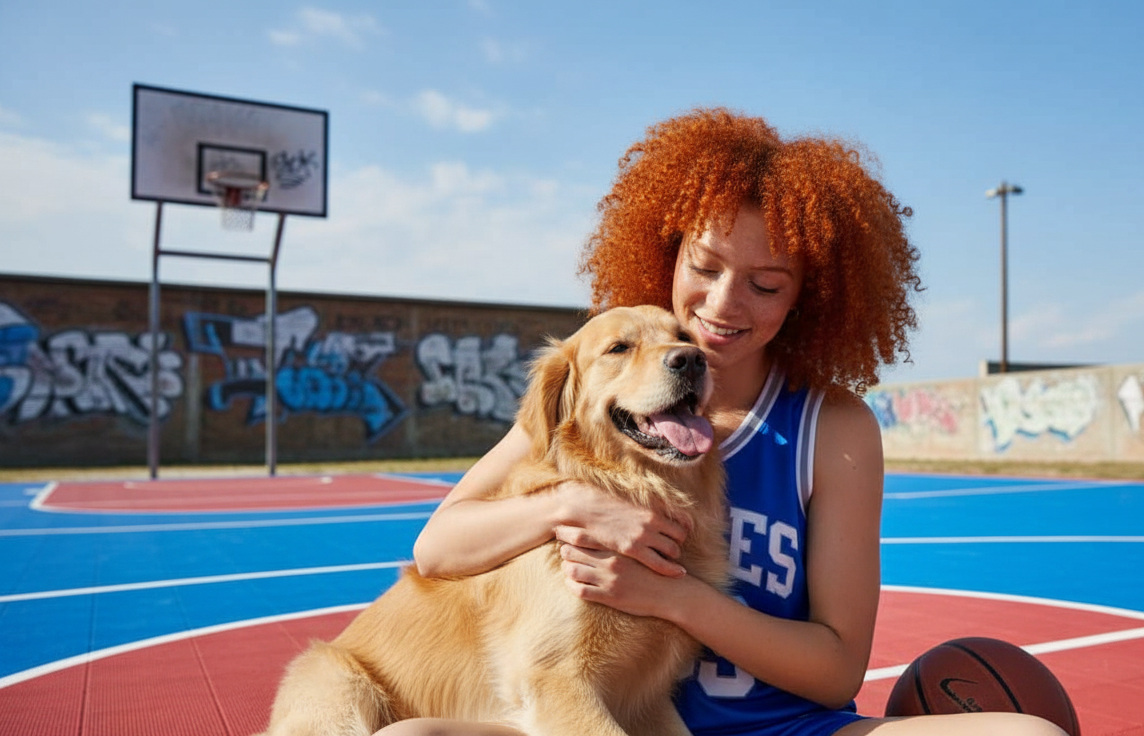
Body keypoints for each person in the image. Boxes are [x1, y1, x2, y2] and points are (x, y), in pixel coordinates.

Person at [379, 110, 1067, 736]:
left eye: (766, 284)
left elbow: (836, 672)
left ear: (808, 297)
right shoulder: (597, 402)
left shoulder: (833, 428)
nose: (722, 304)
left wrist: (673, 597)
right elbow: (438, 546)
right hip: (618, 722)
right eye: (703, 266)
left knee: (1029, 735)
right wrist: (573, 503)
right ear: (668, 251)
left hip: (792, 732)